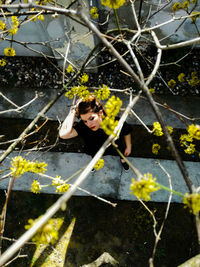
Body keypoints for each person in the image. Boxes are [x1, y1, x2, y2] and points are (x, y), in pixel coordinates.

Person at [59, 95, 132, 171]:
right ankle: (95, 163)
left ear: (100, 113)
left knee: (121, 152)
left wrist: (128, 146)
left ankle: (123, 160)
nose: (89, 124)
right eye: (85, 121)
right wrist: (73, 111)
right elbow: (63, 134)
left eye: (91, 118)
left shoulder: (114, 122)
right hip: (95, 149)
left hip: (115, 146)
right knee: (95, 156)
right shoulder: (83, 127)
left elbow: (126, 131)